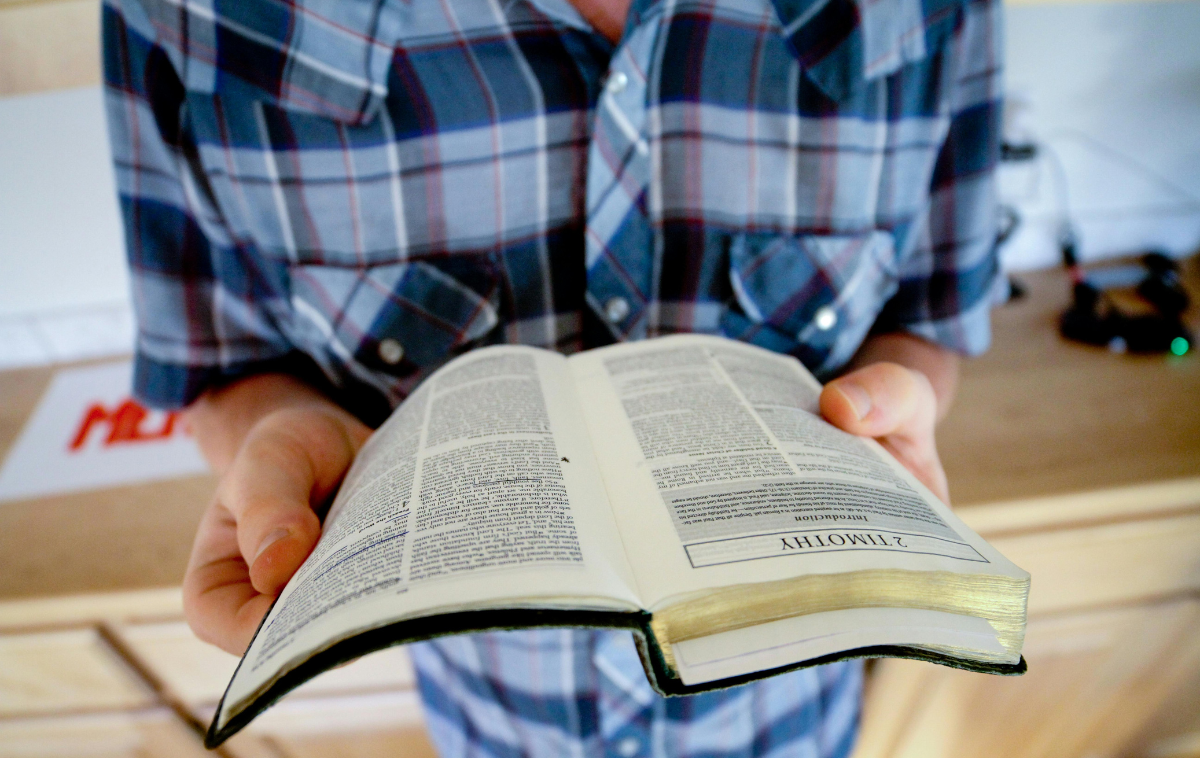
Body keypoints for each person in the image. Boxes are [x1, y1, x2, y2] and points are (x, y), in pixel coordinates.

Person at [103, 0, 1002, 753]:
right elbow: (223, 360)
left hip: (799, 714)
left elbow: (927, 319)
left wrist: (898, 399)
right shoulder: (192, 16)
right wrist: (278, 436)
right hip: (489, 716)